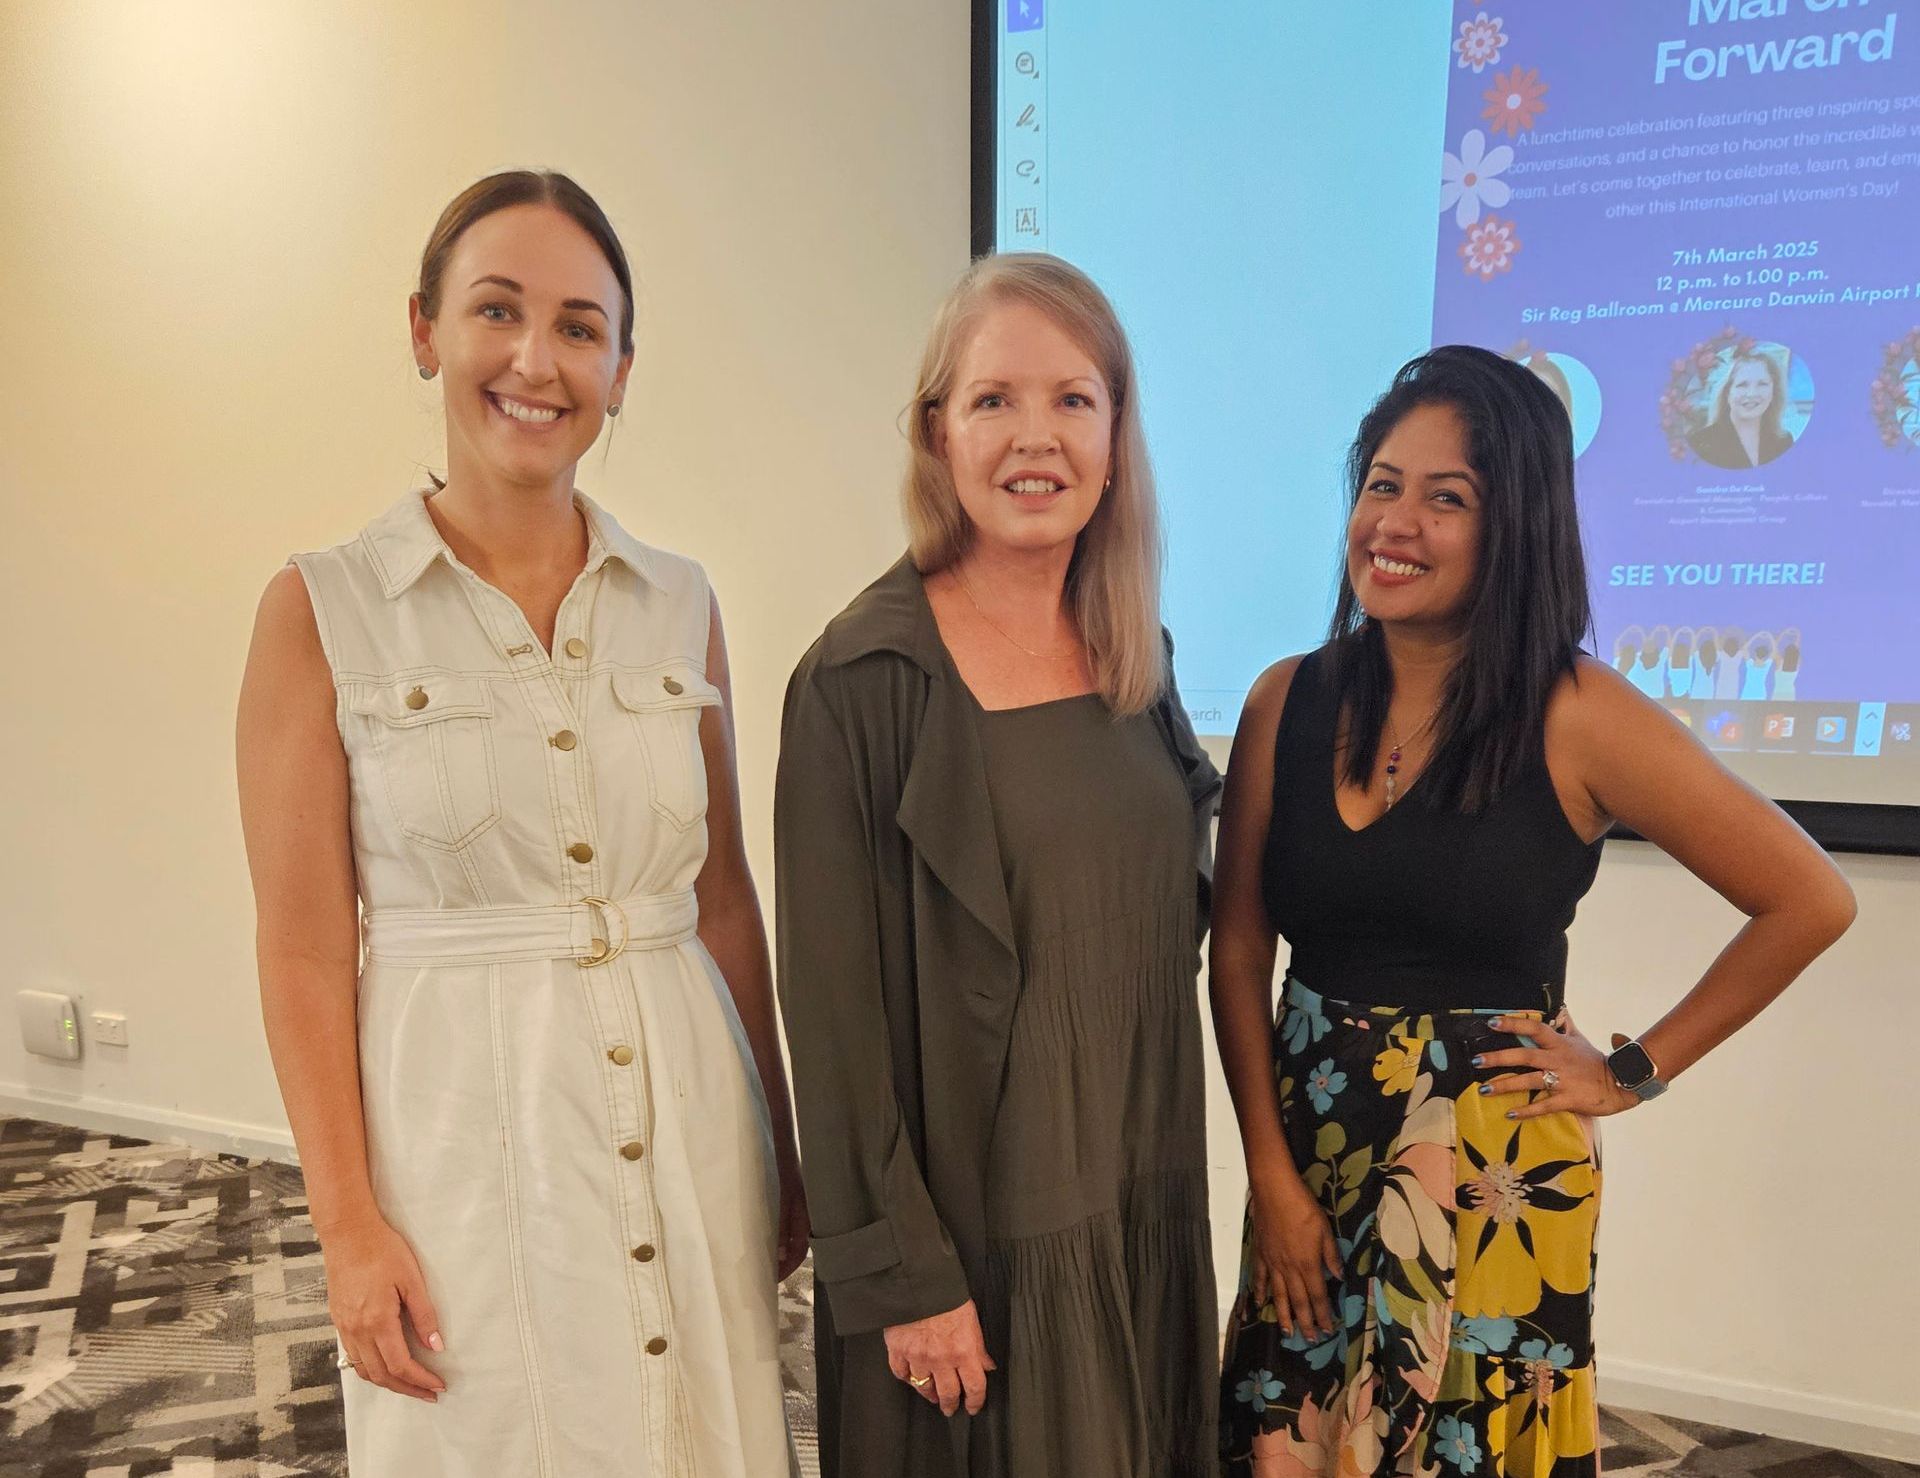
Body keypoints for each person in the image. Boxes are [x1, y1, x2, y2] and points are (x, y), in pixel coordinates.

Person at [236, 170, 805, 1477]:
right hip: (461, 1141)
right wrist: (347, 1227)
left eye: (579, 327)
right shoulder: (321, 611)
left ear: (620, 366)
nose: (535, 361)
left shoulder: (680, 599)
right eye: (497, 311)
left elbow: (721, 897)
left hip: (689, 1113)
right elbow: (306, 948)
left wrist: (773, 1129)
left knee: (697, 1432)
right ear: (427, 329)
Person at [1212, 346, 1854, 1476]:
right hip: (1311, 1162)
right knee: (1287, 1447)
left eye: (1446, 496)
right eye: (1382, 482)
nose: (1396, 522)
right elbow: (1240, 944)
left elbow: (1809, 896)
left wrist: (1629, 1070)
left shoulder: (1578, 713)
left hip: (1493, 1179)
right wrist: (1269, 1171)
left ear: (1515, 527)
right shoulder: (1286, 698)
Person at [774, 253, 1223, 1477]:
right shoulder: (861, 682)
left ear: (1118, 431)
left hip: (1137, 1193)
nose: (1038, 437)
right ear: (936, 430)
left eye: (1074, 399)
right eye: (994, 400)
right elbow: (833, 1017)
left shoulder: (1138, 652)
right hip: (973, 1241)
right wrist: (902, 1275)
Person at [1689, 350, 1795, 469]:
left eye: (1762, 384)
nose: (1751, 394)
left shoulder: (1784, 441)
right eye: (1742, 385)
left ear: (1774, 391)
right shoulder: (1700, 443)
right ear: (1727, 392)